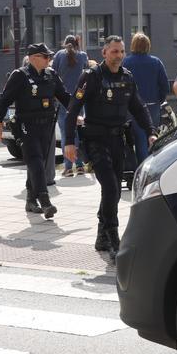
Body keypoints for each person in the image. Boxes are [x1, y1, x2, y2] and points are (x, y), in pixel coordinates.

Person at [64, 35, 154, 254]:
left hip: (117, 141)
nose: (119, 56)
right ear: (104, 53)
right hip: (95, 140)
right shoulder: (91, 77)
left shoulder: (127, 77)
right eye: (114, 51)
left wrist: (151, 132)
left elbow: (138, 107)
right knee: (112, 187)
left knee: (111, 189)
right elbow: (73, 109)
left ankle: (101, 236)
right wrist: (69, 142)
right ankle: (114, 238)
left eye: (122, 51)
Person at [0, 43, 71, 218]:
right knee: (35, 159)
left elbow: (65, 97)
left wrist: (77, 113)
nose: (49, 60)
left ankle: (30, 200)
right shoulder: (20, 76)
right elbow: (4, 100)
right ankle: (45, 201)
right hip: (26, 125)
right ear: (34, 57)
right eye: (46, 57)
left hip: (46, 125)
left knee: (39, 162)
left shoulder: (51, 75)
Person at [121, 33, 169, 168]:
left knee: (138, 139)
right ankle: (152, 167)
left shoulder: (126, 62)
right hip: (152, 105)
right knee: (151, 136)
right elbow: (164, 85)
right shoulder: (156, 62)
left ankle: (141, 167)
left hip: (131, 107)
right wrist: (159, 100)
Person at [51, 34, 89, 177]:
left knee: (67, 133)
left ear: (65, 43)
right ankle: (79, 166)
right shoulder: (83, 56)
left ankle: (68, 168)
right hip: (79, 100)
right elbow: (88, 74)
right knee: (78, 132)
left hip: (62, 101)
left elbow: (52, 75)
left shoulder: (59, 55)